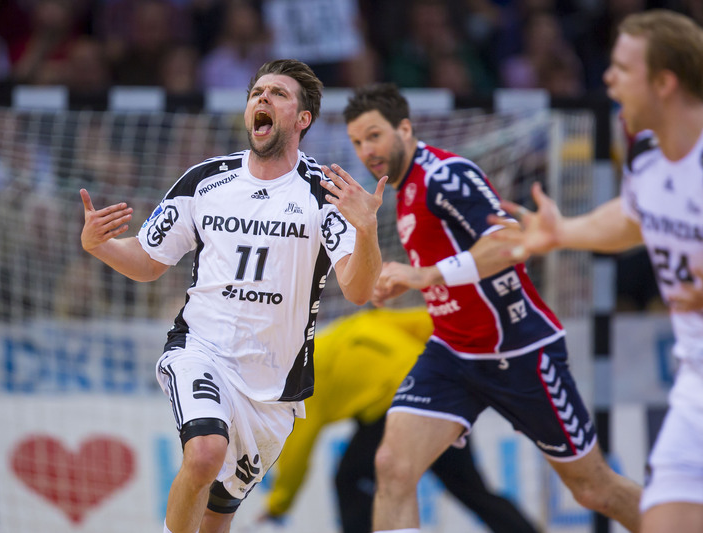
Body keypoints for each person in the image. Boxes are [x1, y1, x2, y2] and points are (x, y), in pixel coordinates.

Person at [79, 59, 387, 533]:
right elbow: (148, 261)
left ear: (302, 119)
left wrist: (366, 231)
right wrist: (100, 246)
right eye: (257, 92)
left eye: (278, 94)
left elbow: (360, 289)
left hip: (273, 390)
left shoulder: (327, 196)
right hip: (201, 350)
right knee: (205, 453)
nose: (263, 98)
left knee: (216, 517)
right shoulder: (206, 180)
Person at [342, 82, 642, 533]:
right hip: (453, 352)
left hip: (520, 352)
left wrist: (425, 276)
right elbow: (453, 271)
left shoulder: (444, 174)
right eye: (357, 142)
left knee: (593, 489)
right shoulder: (403, 192)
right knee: (393, 467)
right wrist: (406, 282)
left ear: (404, 129)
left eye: (374, 136)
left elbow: (508, 242)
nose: (367, 150)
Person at [489, 10, 703, 533]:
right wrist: (562, 232)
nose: (607, 79)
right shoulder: (648, 156)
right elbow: (633, 217)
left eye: (622, 68)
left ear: (664, 82)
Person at [262, 306, 540, 533]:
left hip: (399, 402)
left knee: (352, 478)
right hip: (442, 393)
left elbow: (296, 452)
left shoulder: (299, 381)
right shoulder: (358, 324)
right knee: (472, 490)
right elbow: (429, 322)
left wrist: (278, 506)